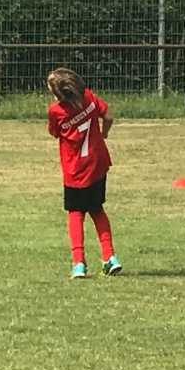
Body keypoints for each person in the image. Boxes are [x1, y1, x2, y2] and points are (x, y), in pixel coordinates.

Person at [47, 68, 123, 279]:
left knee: (75, 213)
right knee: (97, 210)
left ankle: (79, 263)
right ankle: (109, 257)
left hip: (75, 169)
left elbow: (54, 132)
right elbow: (108, 117)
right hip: (97, 164)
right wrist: (103, 134)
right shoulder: (88, 96)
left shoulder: (56, 110)